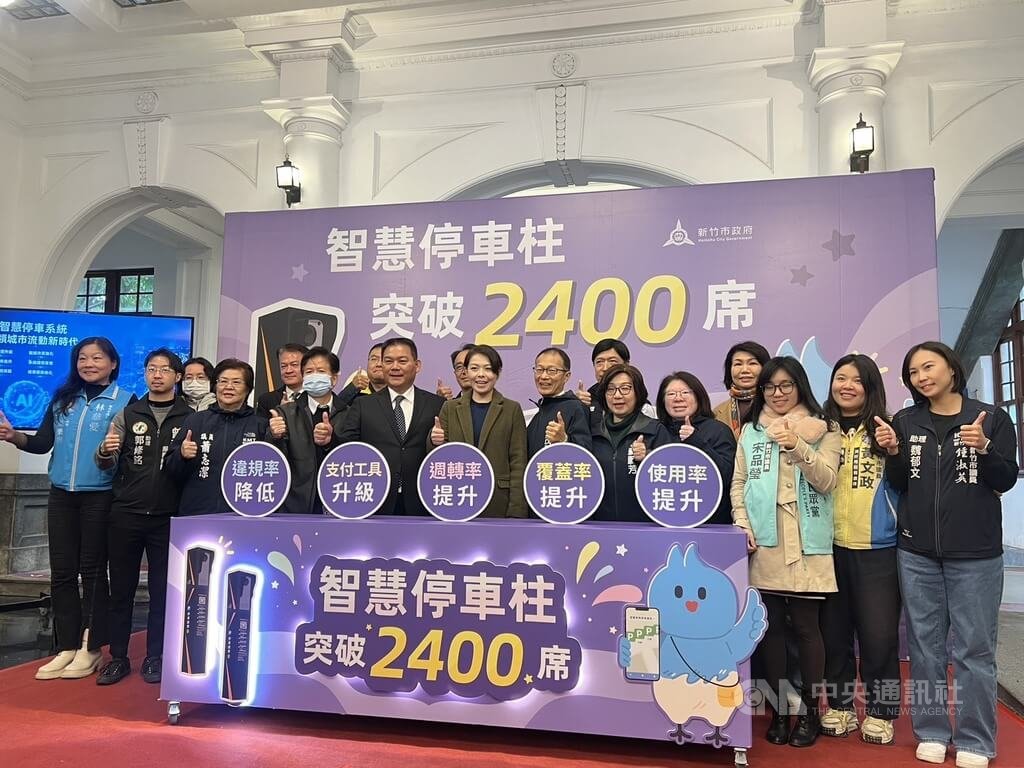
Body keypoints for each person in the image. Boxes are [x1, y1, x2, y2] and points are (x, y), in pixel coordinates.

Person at [878, 341, 1017, 768]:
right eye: (913, 372)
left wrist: (984, 447)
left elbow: (1006, 479)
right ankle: (933, 731)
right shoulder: (906, 421)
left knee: (974, 650)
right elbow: (899, 482)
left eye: (928, 367)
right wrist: (893, 451)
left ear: (951, 369)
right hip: (917, 552)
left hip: (976, 555)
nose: (921, 377)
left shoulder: (990, 417)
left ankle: (975, 739)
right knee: (925, 647)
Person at [0, 337, 134, 680]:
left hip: (100, 496)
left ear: (113, 363)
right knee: (62, 573)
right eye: (82, 358)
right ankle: (67, 646)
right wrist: (14, 436)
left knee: (92, 572)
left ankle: (92, 646)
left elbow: (130, 456)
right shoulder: (63, 400)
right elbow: (43, 442)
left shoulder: (126, 401)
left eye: (97, 358)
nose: (89, 364)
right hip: (61, 495)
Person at [730, 356, 841, 748]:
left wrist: (797, 445)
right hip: (765, 540)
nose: (777, 394)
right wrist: (742, 523)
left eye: (785, 385)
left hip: (807, 540)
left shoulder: (825, 428)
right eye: (769, 387)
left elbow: (827, 481)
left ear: (800, 386)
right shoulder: (752, 431)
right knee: (771, 629)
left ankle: (810, 712)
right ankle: (780, 712)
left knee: (808, 628)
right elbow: (739, 482)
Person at [94, 348, 192, 686]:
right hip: (126, 514)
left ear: (177, 376)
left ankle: (155, 656)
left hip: (168, 517)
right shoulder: (128, 413)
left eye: (164, 369)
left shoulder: (190, 417)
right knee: (121, 590)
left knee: (163, 592)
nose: (157, 375)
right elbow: (105, 461)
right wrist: (104, 451)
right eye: (151, 369)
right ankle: (118, 658)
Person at [818, 354, 902, 744]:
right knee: (833, 634)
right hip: (827, 547)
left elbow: (905, 483)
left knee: (879, 636)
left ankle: (882, 712)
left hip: (878, 548)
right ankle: (840, 707)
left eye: (856, 380)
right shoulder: (820, 428)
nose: (847, 385)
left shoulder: (889, 427)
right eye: (840, 378)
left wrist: (894, 449)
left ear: (870, 387)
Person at [337, 338, 444, 516]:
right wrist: (327, 440)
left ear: (417, 365)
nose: (395, 367)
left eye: (402, 361)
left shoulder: (437, 404)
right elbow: (346, 448)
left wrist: (439, 442)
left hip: (423, 501)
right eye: (388, 361)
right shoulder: (363, 405)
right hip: (375, 499)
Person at [430, 345, 528, 517]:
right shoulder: (450, 408)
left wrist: (516, 510)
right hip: (457, 497)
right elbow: (437, 458)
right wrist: (434, 441)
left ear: (497, 373)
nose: (481, 375)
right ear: (466, 372)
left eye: (488, 369)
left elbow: (518, 462)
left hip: (498, 501)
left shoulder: (511, 409)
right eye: (474, 368)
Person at [165, 359, 269, 515]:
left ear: (248, 388)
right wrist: (181, 454)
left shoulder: (260, 425)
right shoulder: (195, 420)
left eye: (236, 382)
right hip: (198, 512)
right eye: (223, 381)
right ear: (215, 386)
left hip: (244, 512)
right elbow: (170, 469)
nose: (228, 387)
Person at [269, 346, 349, 514]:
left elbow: (355, 454)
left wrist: (331, 441)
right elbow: (272, 462)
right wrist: (275, 436)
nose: (314, 376)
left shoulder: (350, 413)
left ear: (334, 378)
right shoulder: (286, 413)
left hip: (340, 500)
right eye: (309, 372)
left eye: (321, 371)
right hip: (296, 506)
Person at [590, 364, 672, 522]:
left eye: (625, 388)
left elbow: (671, 479)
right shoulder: (593, 432)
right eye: (610, 389)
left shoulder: (655, 430)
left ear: (638, 393)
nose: (617, 395)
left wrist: (648, 458)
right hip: (599, 525)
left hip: (644, 525)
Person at [653, 371, 736, 525]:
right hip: (663, 520)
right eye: (671, 394)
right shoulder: (655, 430)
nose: (678, 398)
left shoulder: (718, 430)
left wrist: (695, 440)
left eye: (685, 393)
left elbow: (727, 475)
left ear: (699, 396)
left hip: (711, 523)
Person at [526, 347, 592, 458]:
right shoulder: (537, 414)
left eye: (552, 371)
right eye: (539, 370)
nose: (544, 376)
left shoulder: (576, 407)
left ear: (566, 376)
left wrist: (564, 440)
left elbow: (586, 455)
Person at [713, 341, 771, 439]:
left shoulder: (778, 404)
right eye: (738, 364)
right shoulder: (717, 413)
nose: (744, 370)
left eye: (752, 363)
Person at [575, 338, 630, 412]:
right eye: (599, 362)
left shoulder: (637, 396)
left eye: (612, 361)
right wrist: (576, 406)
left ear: (626, 365)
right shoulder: (589, 398)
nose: (605, 368)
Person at [256, 343, 308, 418]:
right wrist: (281, 413)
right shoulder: (266, 400)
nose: (288, 370)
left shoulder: (316, 397)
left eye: (294, 365)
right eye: (283, 366)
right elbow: (261, 425)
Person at [336, 343, 386, 407]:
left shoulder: (397, 395)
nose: (379, 364)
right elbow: (334, 409)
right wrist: (352, 387)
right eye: (374, 359)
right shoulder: (355, 394)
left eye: (385, 360)